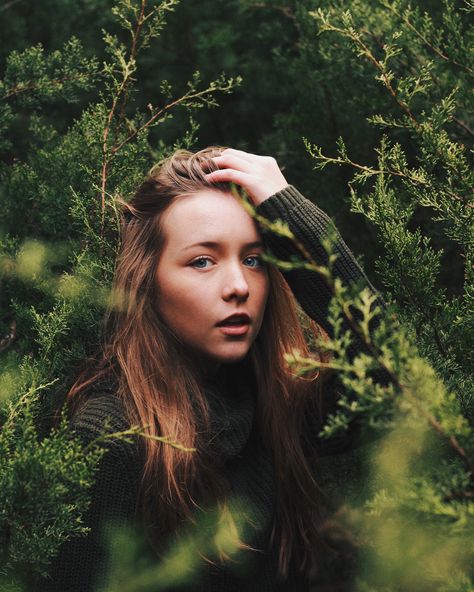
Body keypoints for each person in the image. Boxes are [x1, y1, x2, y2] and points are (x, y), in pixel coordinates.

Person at [39, 147, 385, 591]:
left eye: (254, 259)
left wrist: (296, 219)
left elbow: (392, 384)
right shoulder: (113, 438)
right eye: (203, 260)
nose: (239, 286)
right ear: (147, 283)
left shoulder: (276, 400)